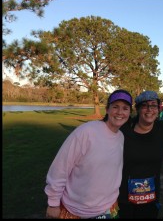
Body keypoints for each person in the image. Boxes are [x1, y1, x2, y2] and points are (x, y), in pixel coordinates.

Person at [44, 89, 133, 219]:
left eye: (125, 108)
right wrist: (53, 203)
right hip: (75, 210)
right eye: (115, 107)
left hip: (108, 208)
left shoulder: (120, 137)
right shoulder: (87, 131)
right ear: (107, 109)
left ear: (130, 112)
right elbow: (60, 168)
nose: (120, 112)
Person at [118, 91, 163, 219]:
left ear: (158, 109)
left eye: (153, 105)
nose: (149, 110)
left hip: (150, 199)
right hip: (124, 198)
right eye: (144, 106)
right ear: (137, 109)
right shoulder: (123, 130)